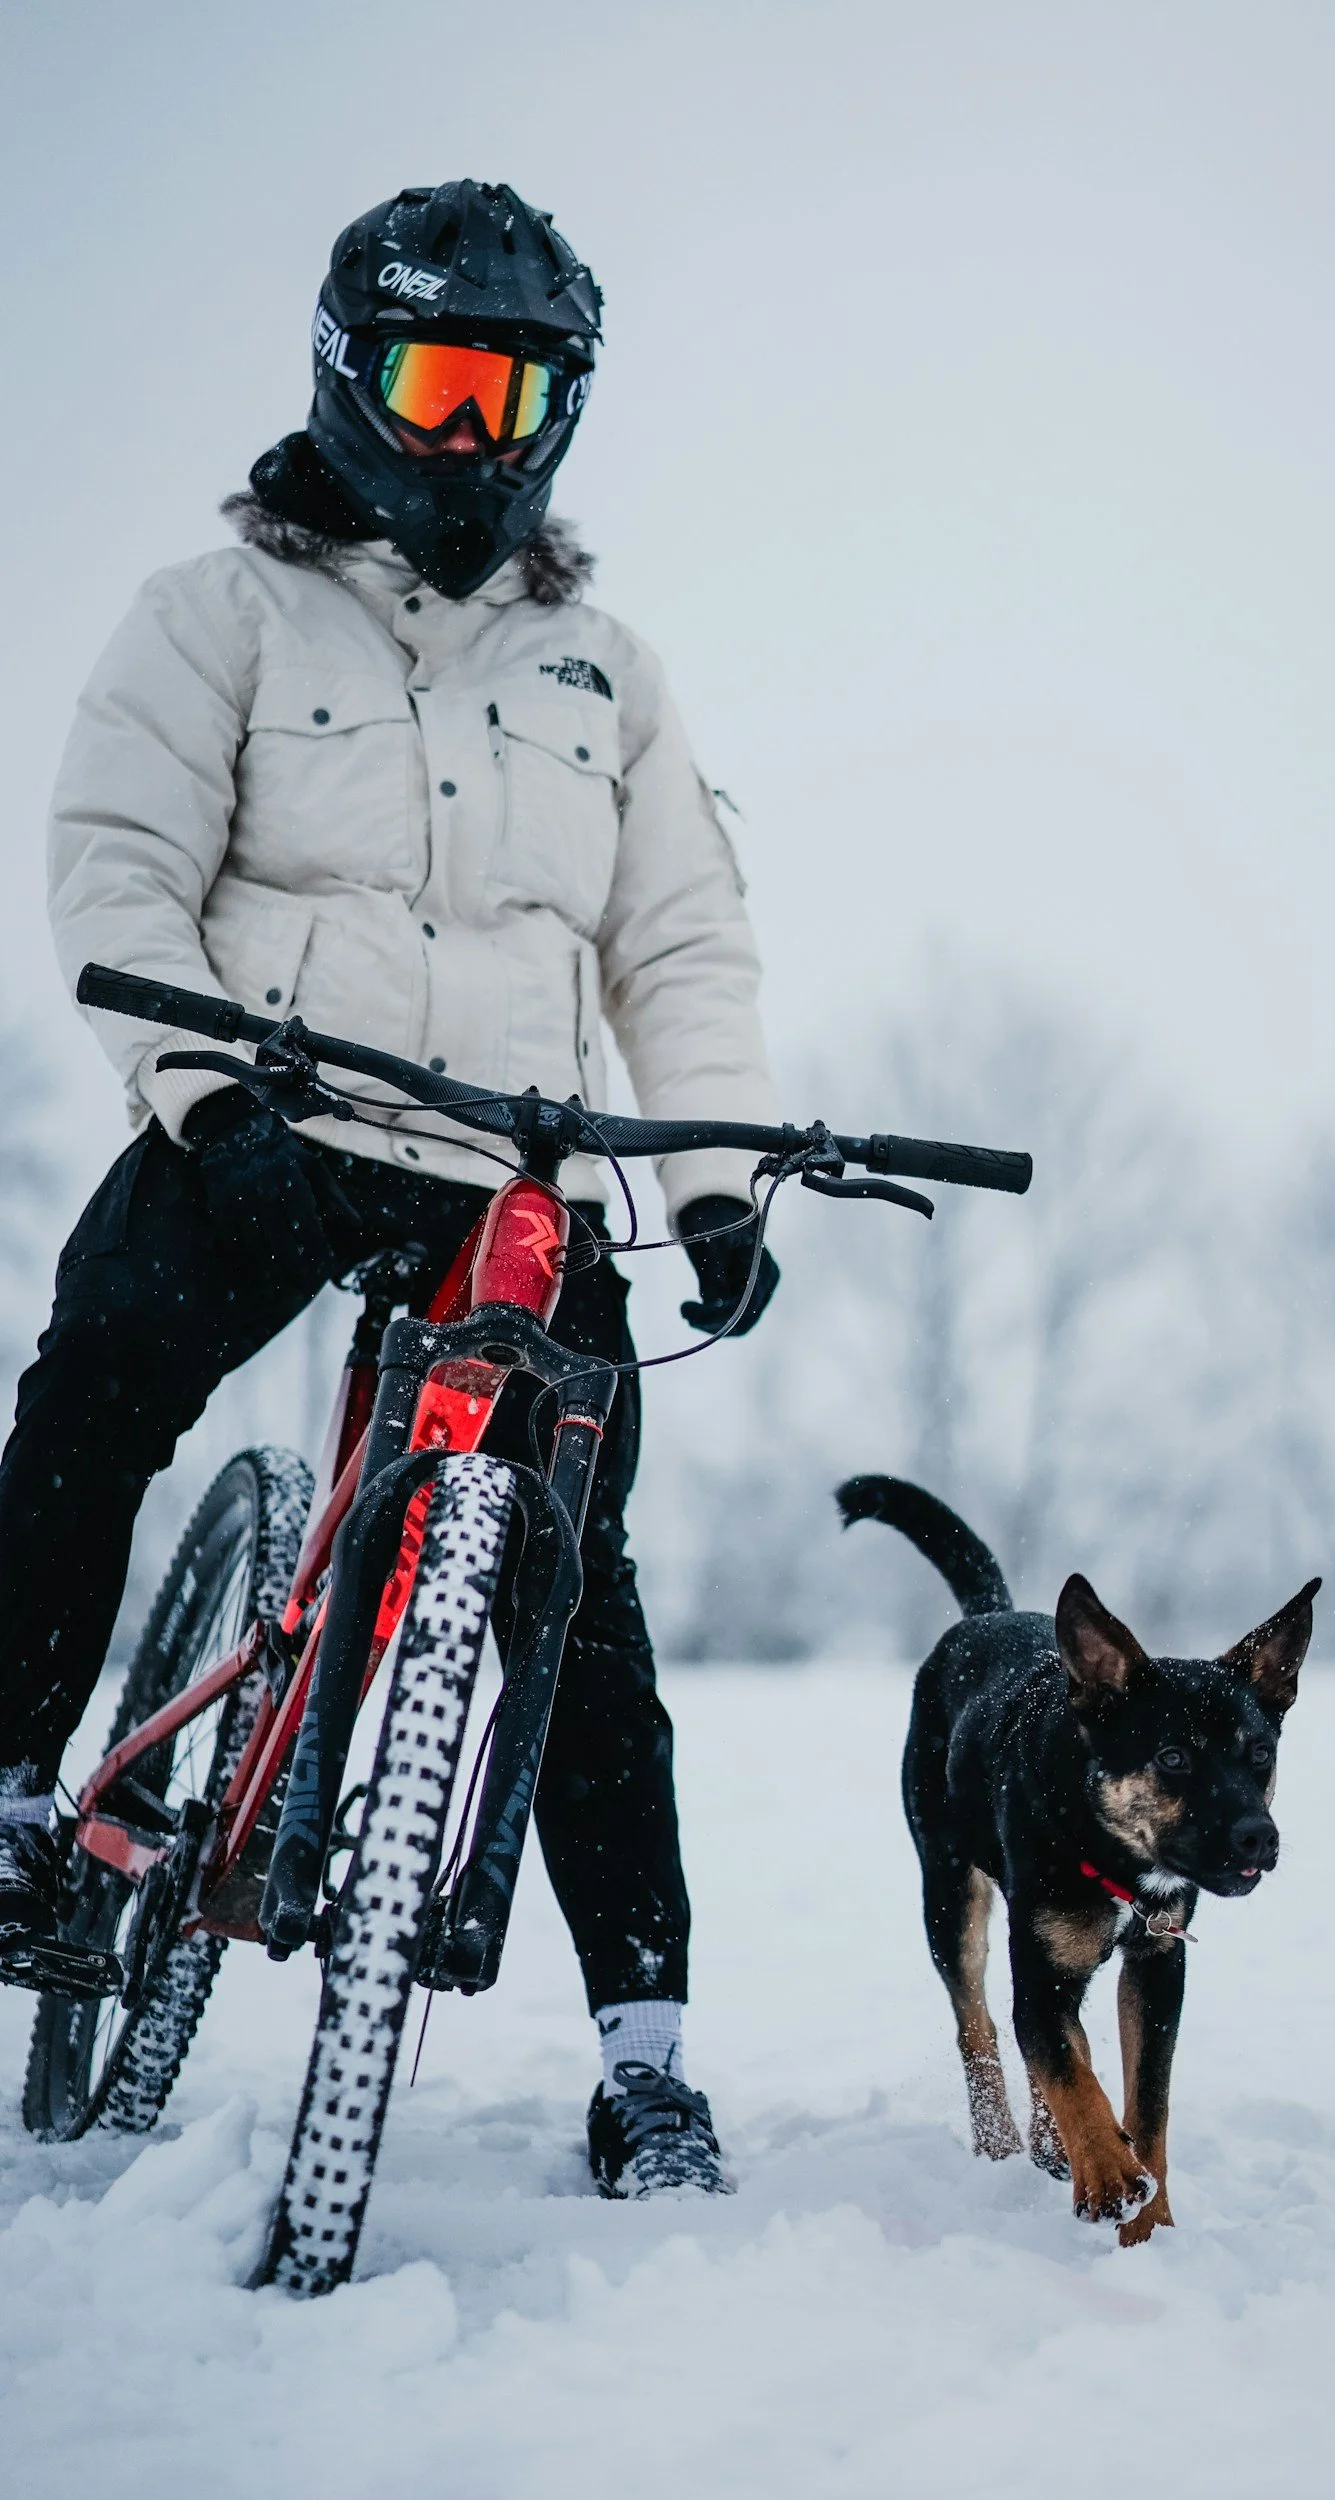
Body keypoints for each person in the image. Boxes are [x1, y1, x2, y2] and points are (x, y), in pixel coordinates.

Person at [0, 179, 780, 2198]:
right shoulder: (221, 614)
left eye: (516, 397)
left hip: (514, 1171)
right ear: (353, 378)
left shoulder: (605, 669)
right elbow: (117, 866)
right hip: (266, 1117)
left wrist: (712, 1180)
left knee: (576, 1592)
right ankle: (8, 1788)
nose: (473, 439)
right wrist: (202, 1100)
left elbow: (680, 943)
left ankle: (645, 2057)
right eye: (439, 386)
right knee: (95, 1389)